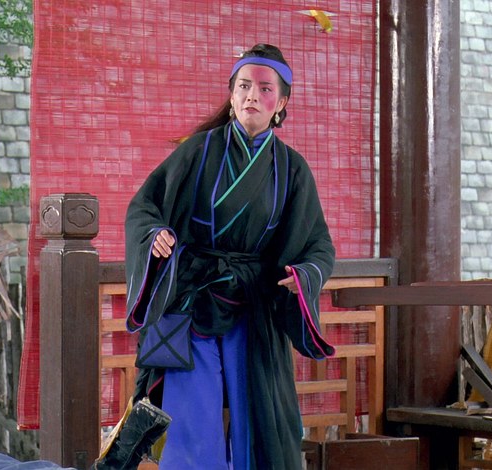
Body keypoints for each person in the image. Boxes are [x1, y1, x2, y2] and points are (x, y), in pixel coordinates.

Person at [124, 44, 336, 469]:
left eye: (265, 88)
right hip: (194, 300)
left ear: (282, 103)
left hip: (253, 307)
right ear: (232, 93)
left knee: (259, 420)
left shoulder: (291, 169)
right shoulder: (198, 151)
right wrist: (155, 235)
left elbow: (318, 245)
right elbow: (144, 207)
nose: (252, 95)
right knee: (192, 420)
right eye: (243, 86)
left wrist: (304, 275)